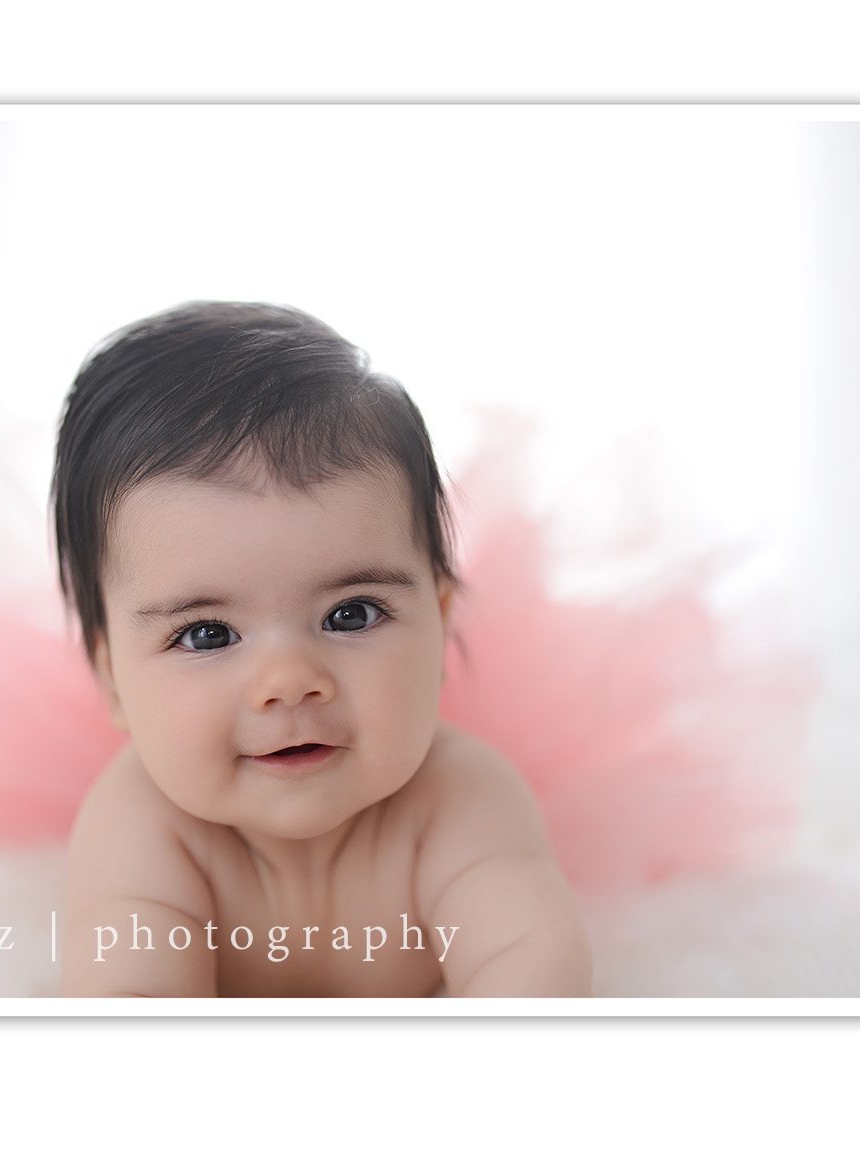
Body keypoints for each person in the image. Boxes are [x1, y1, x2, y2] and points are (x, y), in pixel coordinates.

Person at [52, 300, 592, 997]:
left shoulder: (460, 800)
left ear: (438, 616)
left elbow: (532, 964)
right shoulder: (142, 825)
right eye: (207, 634)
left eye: (351, 614)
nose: (289, 681)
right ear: (113, 679)